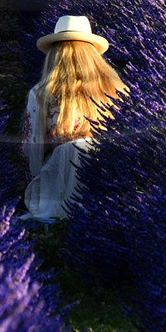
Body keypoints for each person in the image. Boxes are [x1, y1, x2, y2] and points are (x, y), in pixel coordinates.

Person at [21, 14, 127, 223]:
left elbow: (31, 149)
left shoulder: (41, 94)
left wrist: (36, 180)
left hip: (59, 178)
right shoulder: (116, 90)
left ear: (54, 53)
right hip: (105, 179)